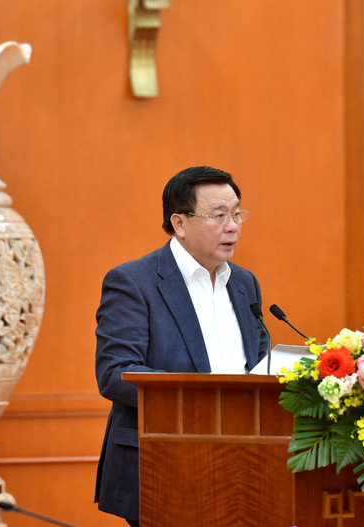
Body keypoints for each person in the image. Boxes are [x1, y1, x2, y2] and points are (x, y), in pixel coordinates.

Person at [93, 166, 269, 526]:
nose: (233, 225)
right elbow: (115, 374)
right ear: (179, 223)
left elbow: (257, 364)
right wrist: (204, 399)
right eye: (219, 215)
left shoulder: (245, 284)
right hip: (166, 464)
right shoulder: (133, 282)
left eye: (237, 214)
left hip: (247, 464)